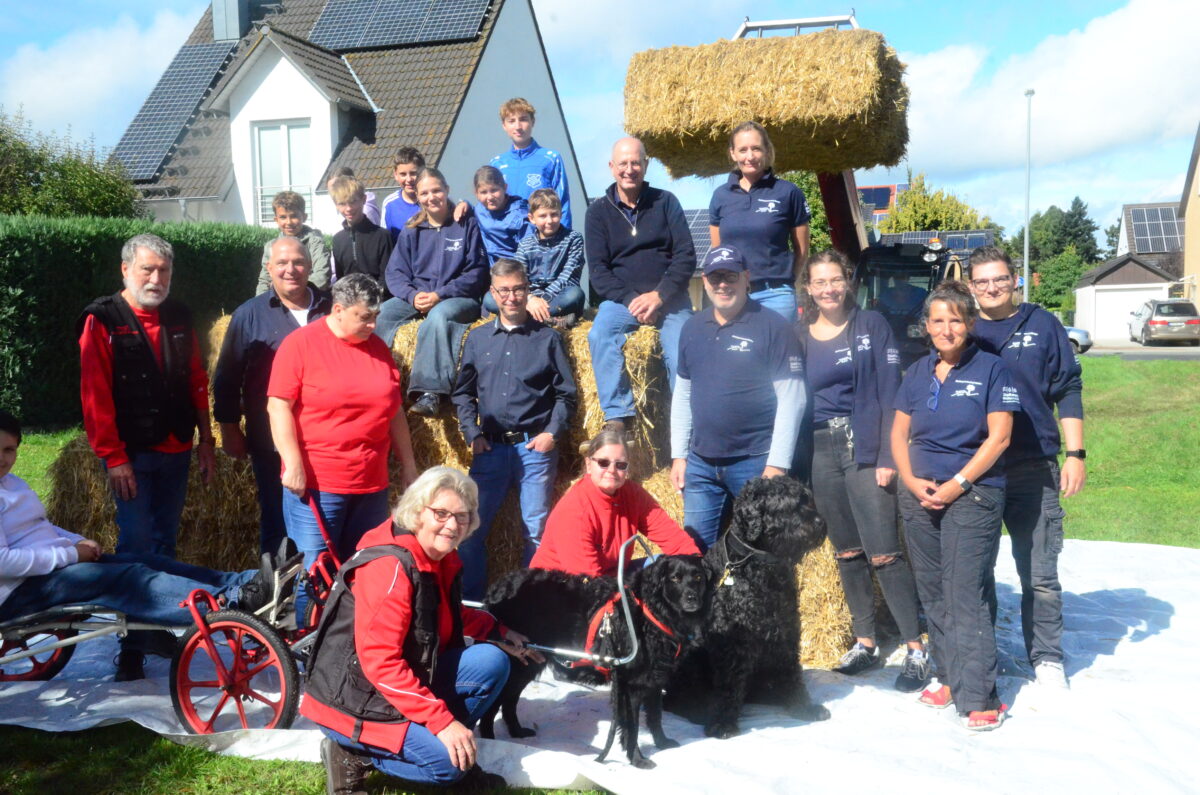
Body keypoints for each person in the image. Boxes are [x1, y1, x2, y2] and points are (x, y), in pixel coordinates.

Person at [0, 410, 286, 681]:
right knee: (127, 580)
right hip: (18, 590)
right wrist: (71, 554)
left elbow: (40, 526)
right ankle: (233, 601)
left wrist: (76, 541)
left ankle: (246, 582)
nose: (3, 459)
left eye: (9, 450)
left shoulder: (12, 483)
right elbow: (4, 562)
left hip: (48, 570)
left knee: (146, 562)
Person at [302, 466, 536, 793]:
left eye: (462, 516)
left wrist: (498, 631)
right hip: (356, 699)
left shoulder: (436, 556)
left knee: (491, 661)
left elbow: (441, 613)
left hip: (395, 686)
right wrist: (442, 723)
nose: (452, 525)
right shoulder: (391, 567)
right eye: (441, 513)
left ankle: (446, 746)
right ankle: (353, 754)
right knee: (447, 767)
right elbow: (380, 663)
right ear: (417, 511)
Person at [891, 280, 1020, 731]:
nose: (946, 328)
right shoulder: (916, 373)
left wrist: (958, 483)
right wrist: (910, 481)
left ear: (969, 323)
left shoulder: (992, 369)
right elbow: (897, 434)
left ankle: (981, 692)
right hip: (919, 494)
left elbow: (999, 437)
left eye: (955, 320)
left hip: (974, 493)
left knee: (964, 592)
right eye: (937, 320)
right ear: (926, 326)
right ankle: (948, 676)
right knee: (932, 590)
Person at [797, 250, 928, 691]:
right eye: (820, 282)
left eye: (836, 279)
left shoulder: (871, 324)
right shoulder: (800, 334)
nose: (829, 288)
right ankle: (865, 642)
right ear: (809, 288)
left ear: (848, 281)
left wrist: (889, 457)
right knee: (847, 552)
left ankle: (916, 648)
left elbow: (891, 390)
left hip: (864, 445)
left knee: (884, 552)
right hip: (820, 448)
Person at [968, 245, 1084, 688]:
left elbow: (1068, 387)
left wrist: (1075, 454)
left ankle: (1047, 658)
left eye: (1000, 278)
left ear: (1015, 279)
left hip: (1032, 466)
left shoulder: (1043, 324)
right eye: (982, 281)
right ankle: (982, 657)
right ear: (972, 286)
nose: (992, 287)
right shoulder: (965, 327)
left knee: (1038, 573)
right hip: (976, 470)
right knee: (975, 572)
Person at [267, 274, 418, 608]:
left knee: (365, 566)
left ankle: (348, 648)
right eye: (364, 317)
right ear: (338, 310)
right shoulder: (302, 344)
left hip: (371, 485)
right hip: (320, 483)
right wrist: (292, 463)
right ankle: (306, 652)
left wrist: (409, 466)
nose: (372, 324)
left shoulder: (378, 348)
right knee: (314, 573)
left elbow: (395, 412)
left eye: (375, 316)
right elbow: (278, 405)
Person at [78, 233, 214, 560]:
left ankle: (161, 607)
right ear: (125, 269)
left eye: (164, 271)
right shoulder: (103, 318)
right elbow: (94, 394)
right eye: (147, 269)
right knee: (136, 543)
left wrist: (206, 440)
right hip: (132, 454)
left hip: (178, 449)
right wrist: (114, 458)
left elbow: (196, 379)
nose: (156, 279)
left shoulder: (180, 314)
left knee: (165, 541)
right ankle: (134, 605)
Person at [451, 260, 576, 599]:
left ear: (527, 289)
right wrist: (471, 434)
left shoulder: (548, 338)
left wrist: (552, 433)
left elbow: (567, 394)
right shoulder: (477, 339)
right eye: (504, 290)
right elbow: (462, 392)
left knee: (535, 532)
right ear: (493, 293)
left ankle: (528, 605)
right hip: (489, 450)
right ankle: (472, 605)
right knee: (471, 530)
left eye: (518, 289)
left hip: (534, 450)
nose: (511, 297)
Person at [669, 245, 804, 549]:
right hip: (701, 465)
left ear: (746, 278)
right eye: (715, 277)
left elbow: (792, 399)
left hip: (754, 463)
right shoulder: (691, 328)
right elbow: (683, 394)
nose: (722, 285)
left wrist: (777, 466)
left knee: (758, 553)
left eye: (730, 276)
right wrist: (679, 454)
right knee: (695, 554)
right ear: (704, 281)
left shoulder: (774, 327)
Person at [213, 236, 331, 555]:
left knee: (328, 521)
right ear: (269, 268)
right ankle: (278, 594)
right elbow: (227, 377)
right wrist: (229, 429)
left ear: (309, 266)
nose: (290, 269)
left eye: (297, 262)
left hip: (329, 440)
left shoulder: (334, 309)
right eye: (281, 263)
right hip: (271, 441)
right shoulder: (249, 315)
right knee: (278, 522)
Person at [586, 137, 696, 435]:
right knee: (600, 335)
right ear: (612, 167)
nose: (630, 169)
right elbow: (598, 271)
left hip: (670, 299)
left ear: (646, 165)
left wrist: (659, 296)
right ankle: (618, 417)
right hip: (623, 302)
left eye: (636, 162)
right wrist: (634, 300)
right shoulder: (597, 212)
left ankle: (688, 423)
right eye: (623, 163)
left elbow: (686, 257)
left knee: (682, 350)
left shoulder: (666, 201)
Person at [378, 167, 489, 417]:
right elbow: (394, 273)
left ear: (447, 190)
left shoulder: (466, 224)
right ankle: (376, 380)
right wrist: (411, 296)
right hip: (418, 295)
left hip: (458, 298)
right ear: (417, 197)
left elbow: (478, 272)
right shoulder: (412, 229)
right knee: (382, 313)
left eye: (437, 190)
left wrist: (441, 295)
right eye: (425, 193)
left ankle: (430, 392)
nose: (432, 197)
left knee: (437, 318)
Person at [531, 431, 698, 577]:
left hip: (612, 576)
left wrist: (696, 567)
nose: (611, 470)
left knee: (671, 568)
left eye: (620, 465)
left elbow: (672, 537)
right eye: (603, 463)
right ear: (589, 465)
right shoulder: (575, 510)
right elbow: (588, 582)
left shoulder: (633, 494)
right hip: (563, 589)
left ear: (627, 469)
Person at [708, 121, 811, 320]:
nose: (750, 156)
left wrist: (787, 283)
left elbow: (802, 251)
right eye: (743, 150)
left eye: (756, 148)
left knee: (778, 351)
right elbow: (718, 252)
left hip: (776, 295)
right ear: (733, 153)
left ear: (766, 151)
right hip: (733, 295)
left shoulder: (788, 192)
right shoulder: (720, 196)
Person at [490, 97, 572, 229]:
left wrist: (564, 241)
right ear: (504, 126)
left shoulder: (551, 159)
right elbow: (487, 204)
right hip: (508, 242)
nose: (518, 126)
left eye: (523, 119)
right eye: (511, 121)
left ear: (532, 122)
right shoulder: (497, 164)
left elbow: (562, 202)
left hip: (542, 240)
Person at [510, 187, 586, 327]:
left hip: (560, 295)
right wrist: (530, 299)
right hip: (531, 298)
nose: (549, 221)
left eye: (554, 214)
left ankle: (531, 317)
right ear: (532, 218)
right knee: (490, 299)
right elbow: (520, 277)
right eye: (543, 216)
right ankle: (551, 319)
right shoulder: (525, 244)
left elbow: (568, 275)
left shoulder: (573, 238)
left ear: (561, 214)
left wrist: (542, 300)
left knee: (575, 294)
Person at [255, 190, 330, 295]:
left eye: (294, 216)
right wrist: (261, 305)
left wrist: (290, 291)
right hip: (280, 301)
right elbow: (264, 280)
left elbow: (322, 276)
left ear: (304, 217)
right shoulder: (271, 246)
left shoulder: (315, 242)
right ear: (276, 219)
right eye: (283, 217)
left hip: (310, 299)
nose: (288, 222)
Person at [329, 176, 393, 290]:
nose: (348, 208)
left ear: (363, 199)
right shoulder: (338, 240)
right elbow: (340, 280)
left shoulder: (382, 237)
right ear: (336, 205)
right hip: (348, 302)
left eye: (353, 202)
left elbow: (387, 278)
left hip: (378, 301)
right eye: (342, 204)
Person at [471, 165, 530, 266]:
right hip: (488, 270)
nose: (490, 197)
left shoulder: (520, 216)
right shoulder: (479, 210)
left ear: (505, 188)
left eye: (494, 190)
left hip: (513, 270)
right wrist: (463, 203)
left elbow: (530, 253)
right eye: (483, 192)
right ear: (476, 194)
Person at [380, 148, 426, 240]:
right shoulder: (389, 204)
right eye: (403, 174)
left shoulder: (433, 200)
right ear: (396, 175)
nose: (408, 179)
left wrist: (463, 203)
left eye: (413, 173)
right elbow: (385, 240)